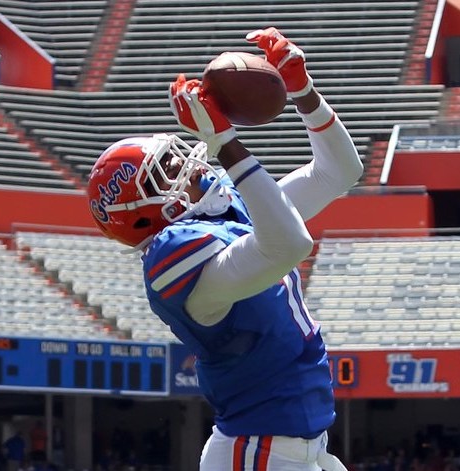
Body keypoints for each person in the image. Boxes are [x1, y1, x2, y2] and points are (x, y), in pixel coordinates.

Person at [87, 27, 363, 471]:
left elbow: (339, 172)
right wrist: (225, 141)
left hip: (301, 449)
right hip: (258, 453)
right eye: (168, 168)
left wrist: (302, 90)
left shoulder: (226, 214)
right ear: (149, 211)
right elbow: (291, 244)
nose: (190, 161)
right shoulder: (173, 262)